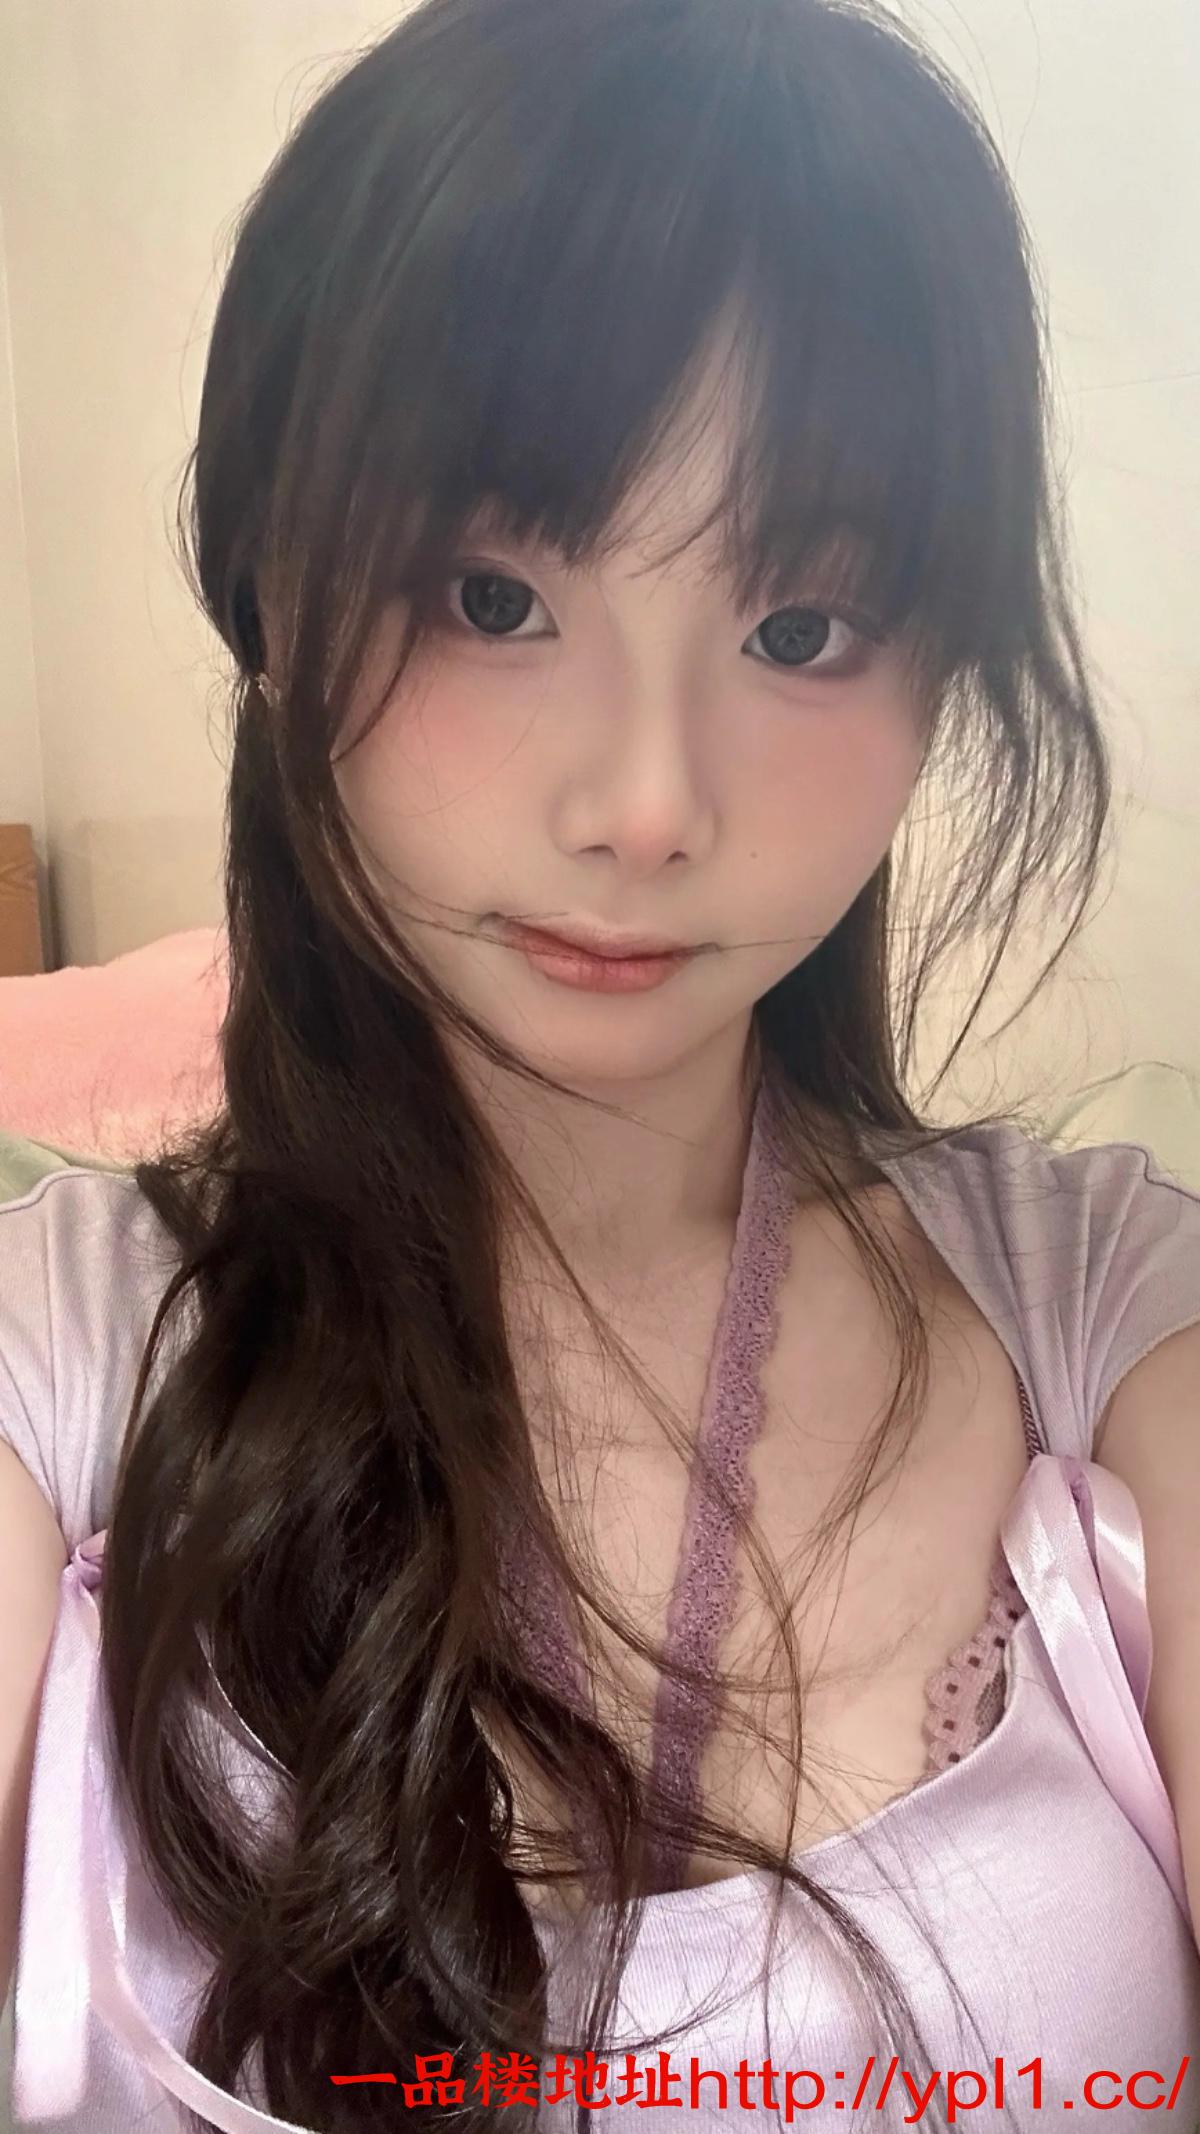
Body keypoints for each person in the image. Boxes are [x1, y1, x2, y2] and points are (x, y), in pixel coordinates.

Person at [2, 0, 1199, 2127]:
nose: (649, 804)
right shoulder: (65, 1364)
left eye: (802, 629)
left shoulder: (1101, 1313)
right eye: (493, 594)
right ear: (271, 589)